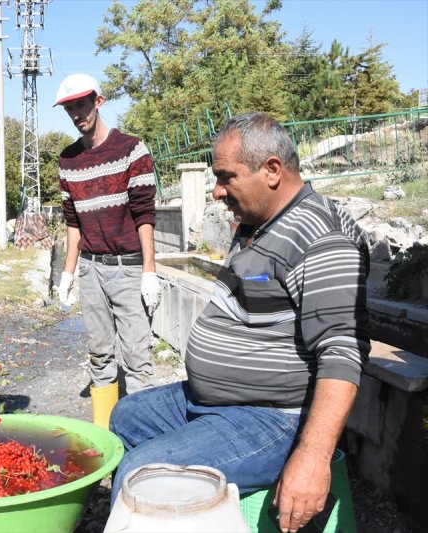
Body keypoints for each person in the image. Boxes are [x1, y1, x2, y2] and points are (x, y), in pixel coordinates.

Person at [109, 112, 370, 533]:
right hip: (214, 402)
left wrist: (313, 457)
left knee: (141, 474)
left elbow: (342, 349)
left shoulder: (321, 239)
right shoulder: (258, 220)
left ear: (271, 171)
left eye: (226, 177)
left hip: (271, 418)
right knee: (126, 417)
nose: (215, 191)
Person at [54, 73, 161, 429]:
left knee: (136, 358)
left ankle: (142, 441)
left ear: (98, 102)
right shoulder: (67, 161)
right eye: (69, 108)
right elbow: (73, 223)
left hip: (129, 268)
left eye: (81, 105)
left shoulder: (131, 149)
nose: (76, 114)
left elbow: (144, 214)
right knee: (100, 355)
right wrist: (67, 274)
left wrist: (150, 271)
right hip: (91, 269)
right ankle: (107, 439)